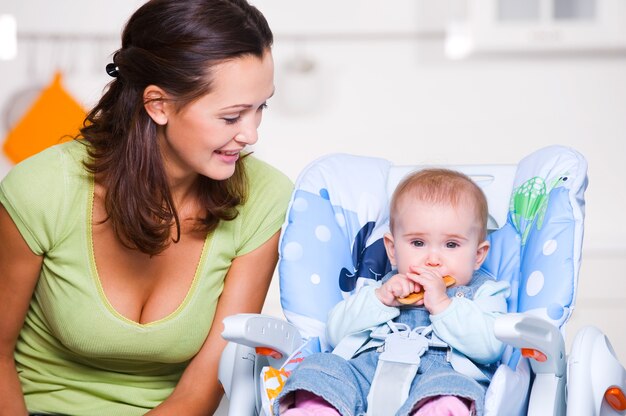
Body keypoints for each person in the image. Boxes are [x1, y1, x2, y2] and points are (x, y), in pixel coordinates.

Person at [0, 0, 292, 414]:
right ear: (158, 105)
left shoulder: (265, 198)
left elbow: (202, 388)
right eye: (232, 117)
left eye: (261, 108)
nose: (251, 134)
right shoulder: (42, 189)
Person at [274, 169, 511, 416]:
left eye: (451, 245)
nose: (433, 259)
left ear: (478, 255)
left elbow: (490, 347)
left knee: (456, 390)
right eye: (418, 243)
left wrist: (443, 304)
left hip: (440, 377)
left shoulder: (485, 292)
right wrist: (381, 300)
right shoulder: (380, 288)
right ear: (393, 250)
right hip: (366, 374)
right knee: (320, 367)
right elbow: (335, 333)